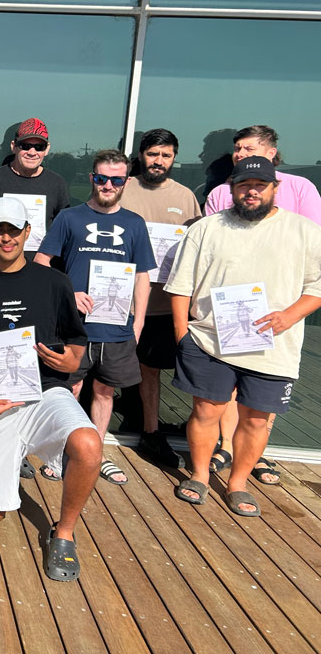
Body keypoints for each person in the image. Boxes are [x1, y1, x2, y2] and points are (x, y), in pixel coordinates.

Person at [0, 196, 100, 582]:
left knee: (88, 445)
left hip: (45, 393)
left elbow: (77, 341)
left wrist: (71, 362)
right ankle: (15, 456)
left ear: (28, 233)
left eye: (14, 230)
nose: (6, 238)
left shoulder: (56, 282)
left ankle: (63, 533)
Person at [167, 157, 321, 516]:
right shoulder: (206, 229)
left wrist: (289, 315)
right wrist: (182, 336)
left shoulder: (304, 231)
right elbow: (180, 287)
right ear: (232, 188)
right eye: (243, 185)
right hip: (208, 341)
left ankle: (238, 483)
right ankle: (201, 476)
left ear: (274, 188)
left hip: (273, 346)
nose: (251, 192)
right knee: (206, 412)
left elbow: (316, 287)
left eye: (260, 185)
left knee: (256, 419)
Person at [203, 125, 321, 484]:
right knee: (228, 382)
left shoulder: (300, 189)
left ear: (271, 152)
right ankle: (225, 444)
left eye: (247, 147)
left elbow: (312, 247)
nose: (239, 153)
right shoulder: (222, 193)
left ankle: (256, 453)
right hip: (230, 302)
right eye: (236, 148)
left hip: (279, 307)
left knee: (261, 390)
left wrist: (292, 310)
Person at [36, 149, 155, 486]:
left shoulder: (134, 223)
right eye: (101, 178)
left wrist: (139, 320)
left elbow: (142, 276)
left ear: (126, 182)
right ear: (92, 178)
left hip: (116, 327)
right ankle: (61, 453)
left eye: (116, 179)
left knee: (104, 392)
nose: (108, 185)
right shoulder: (69, 218)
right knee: (69, 389)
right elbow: (42, 263)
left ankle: (95, 455)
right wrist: (67, 294)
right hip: (73, 327)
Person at [118, 128, 201, 468]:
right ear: (141, 155)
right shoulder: (121, 189)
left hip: (162, 302)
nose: (159, 161)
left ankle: (150, 431)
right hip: (120, 299)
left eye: (166, 155)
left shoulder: (185, 198)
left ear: (174, 158)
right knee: (102, 369)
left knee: (151, 369)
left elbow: (197, 250)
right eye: (153, 154)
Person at [0, 118, 71, 259]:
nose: (32, 152)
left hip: (39, 269)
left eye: (39, 147)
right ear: (14, 146)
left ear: (47, 149)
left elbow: (63, 230)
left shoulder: (56, 183)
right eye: (25, 145)